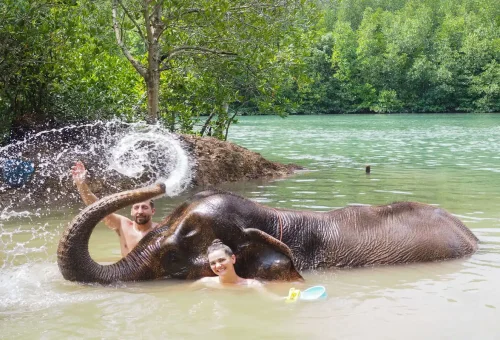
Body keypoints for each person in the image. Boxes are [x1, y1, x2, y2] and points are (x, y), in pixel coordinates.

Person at [71, 161, 158, 257]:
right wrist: (81, 184)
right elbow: (97, 207)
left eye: (145, 207)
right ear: (132, 211)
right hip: (126, 271)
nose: (140, 211)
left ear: (153, 211)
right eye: (136, 207)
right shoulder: (123, 225)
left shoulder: (161, 230)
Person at [194, 239, 264, 288]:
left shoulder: (252, 285)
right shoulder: (205, 283)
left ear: (233, 259)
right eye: (213, 263)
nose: (218, 266)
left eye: (221, 260)